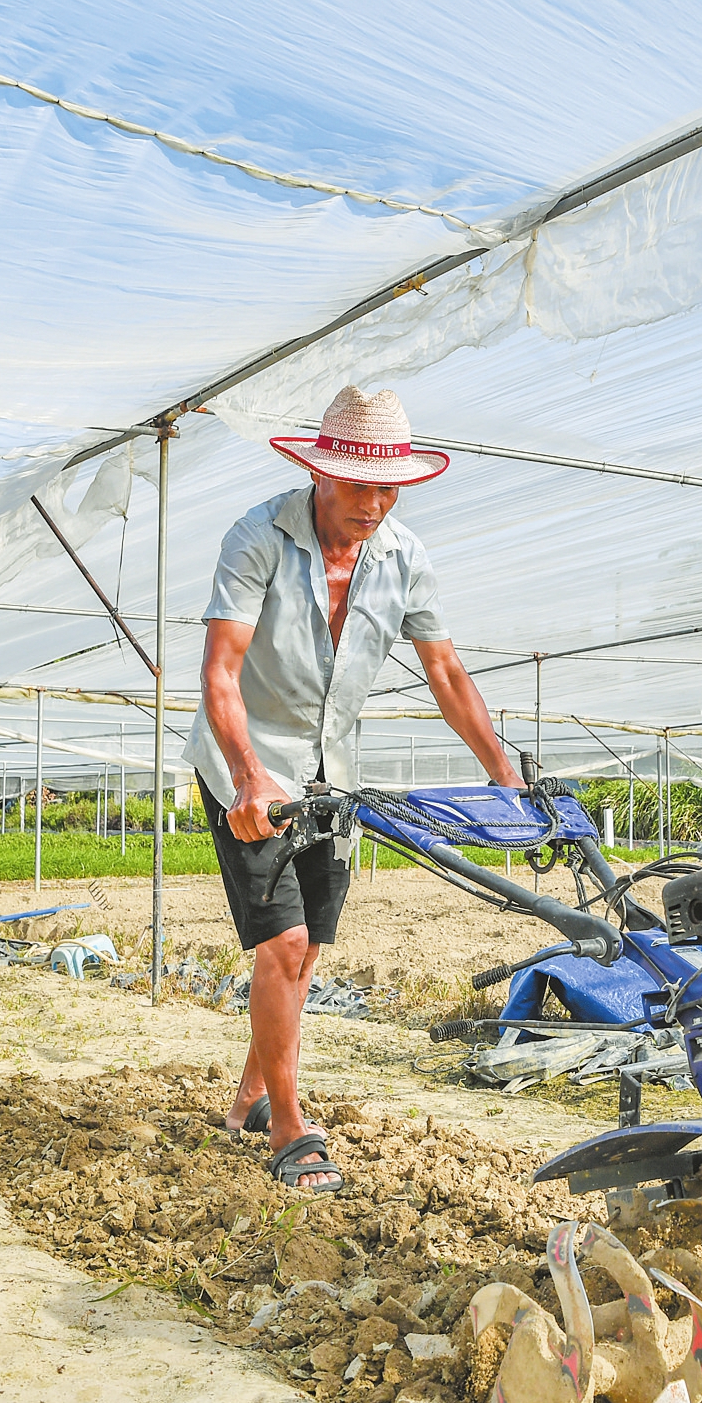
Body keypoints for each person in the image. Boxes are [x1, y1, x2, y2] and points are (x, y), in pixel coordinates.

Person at [182, 385, 522, 1191]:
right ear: (321, 475)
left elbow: (444, 670)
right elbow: (220, 671)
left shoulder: (405, 557)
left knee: (308, 954)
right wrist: (247, 778)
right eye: (360, 485)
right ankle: (288, 1128)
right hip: (248, 765)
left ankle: (248, 1101)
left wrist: (506, 775)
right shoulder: (258, 538)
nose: (374, 504)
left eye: (388, 488)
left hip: (335, 771)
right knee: (284, 944)